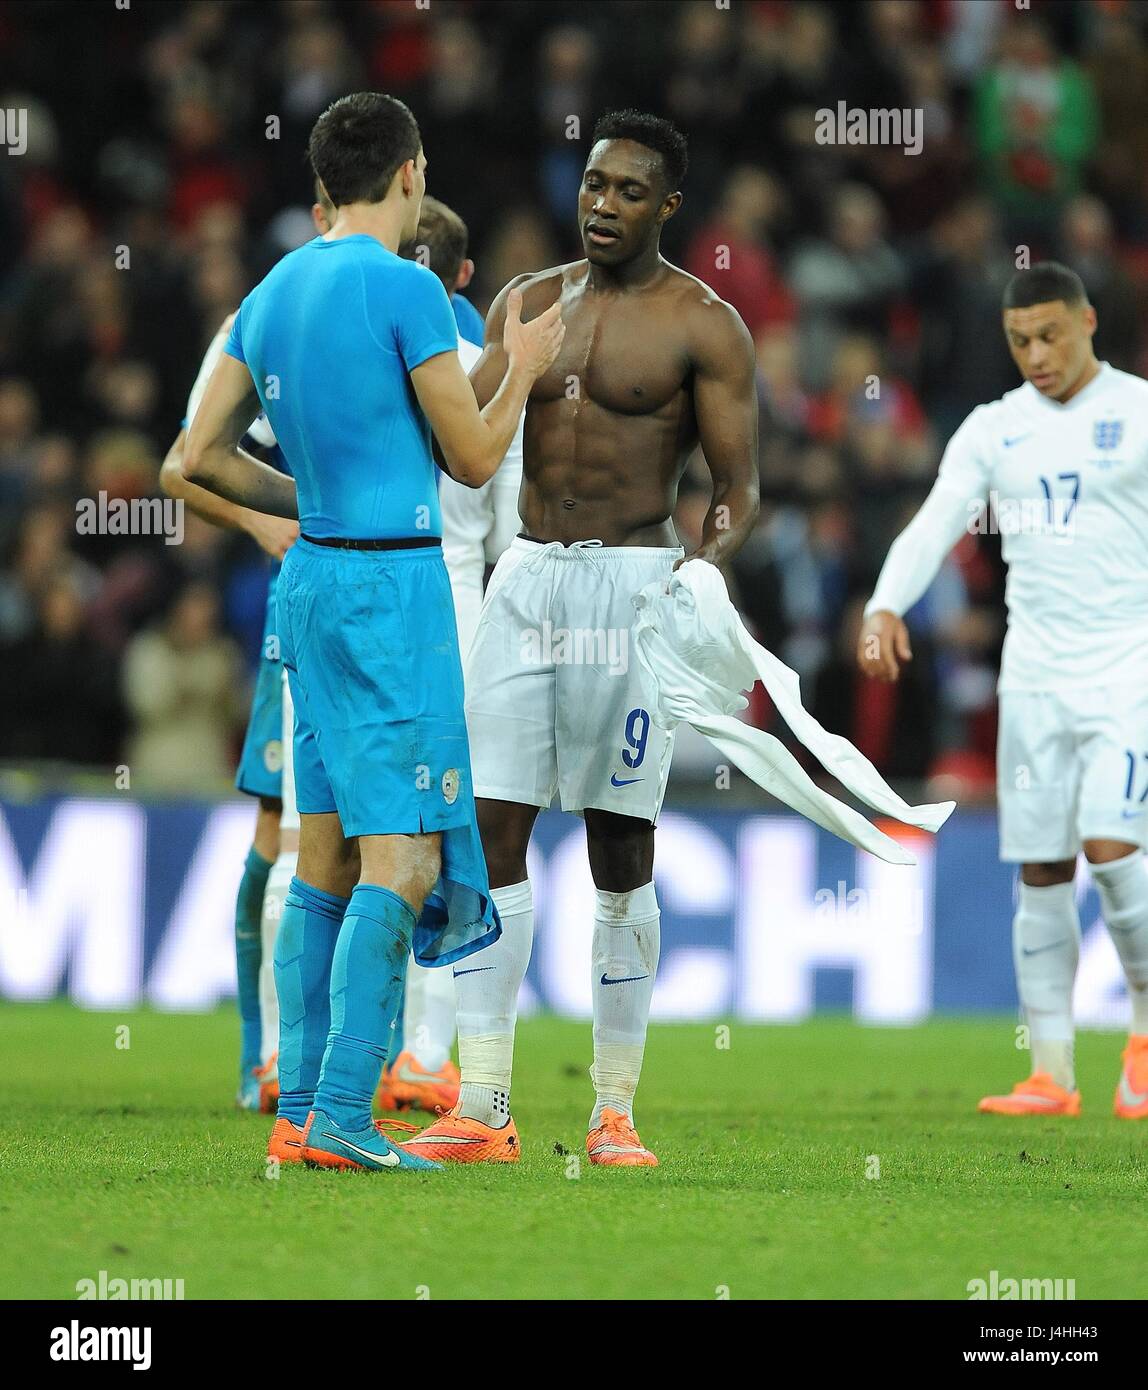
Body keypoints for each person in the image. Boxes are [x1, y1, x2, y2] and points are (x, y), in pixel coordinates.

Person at [182, 91, 563, 1173]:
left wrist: (304, 506)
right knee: (397, 862)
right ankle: (348, 1112)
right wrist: (523, 364)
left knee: (322, 858)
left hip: (305, 589)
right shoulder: (403, 289)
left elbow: (196, 456)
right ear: (409, 172)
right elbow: (476, 458)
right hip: (393, 595)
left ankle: (299, 1106)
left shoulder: (271, 288)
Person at [404, 109, 759, 1168]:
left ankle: (612, 1109)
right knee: (490, 837)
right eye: (594, 185)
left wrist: (705, 569)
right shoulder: (522, 301)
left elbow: (738, 489)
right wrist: (512, 368)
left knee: (619, 852)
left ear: (667, 206)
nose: (602, 205)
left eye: (627, 191)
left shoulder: (705, 325)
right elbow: (464, 451)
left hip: (632, 588)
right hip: (524, 580)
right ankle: (484, 1102)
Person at [857, 262, 1148, 1119]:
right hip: (1034, 678)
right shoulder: (994, 429)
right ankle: (1050, 1073)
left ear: (1089, 321)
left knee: (1112, 848)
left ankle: (1143, 1033)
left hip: (1127, 668)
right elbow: (938, 519)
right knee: (1043, 870)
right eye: (1020, 340)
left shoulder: (1138, 411)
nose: (1037, 354)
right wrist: (882, 603)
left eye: (1051, 334)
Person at [376, 196, 525, 1115]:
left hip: (348, 598)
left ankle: (312, 1062)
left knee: (335, 839)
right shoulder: (481, 369)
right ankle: (428, 1053)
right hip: (455, 622)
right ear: (462, 279)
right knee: (441, 838)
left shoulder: (349, 356)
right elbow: (512, 531)